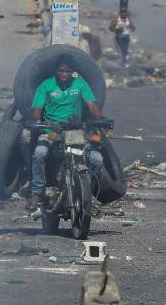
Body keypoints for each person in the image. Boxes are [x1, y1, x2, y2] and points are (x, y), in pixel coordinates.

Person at [26, 58, 106, 213]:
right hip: (52, 133)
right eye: (61, 71)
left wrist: (101, 121)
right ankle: (36, 193)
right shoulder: (46, 85)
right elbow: (36, 112)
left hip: (74, 132)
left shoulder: (80, 84)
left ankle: (90, 195)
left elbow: (92, 106)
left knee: (97, 159)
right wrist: (38, 121)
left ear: (73, 73)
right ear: (56, 71)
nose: (64, 74)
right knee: (39, 153)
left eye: (67, 71)